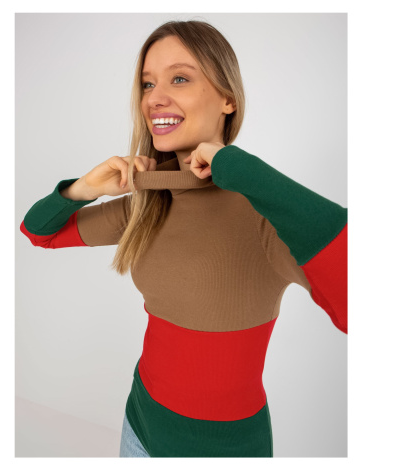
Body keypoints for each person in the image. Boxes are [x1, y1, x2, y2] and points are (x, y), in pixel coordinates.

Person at [20, 20, 347, 458]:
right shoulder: (147, 204)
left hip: (224, 450)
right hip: (138, 426)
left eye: (179, 78)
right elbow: (39, 233)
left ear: (228, 99)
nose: (154, 98)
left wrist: (240, 167)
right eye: (147, 83)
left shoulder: (265, 216)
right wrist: (83, 189)